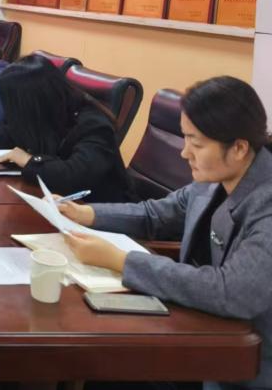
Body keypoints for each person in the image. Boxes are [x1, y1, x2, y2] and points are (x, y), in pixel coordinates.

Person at [60, 76, 272, 390]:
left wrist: (122, 261)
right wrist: (87, 213)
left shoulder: (265, 203)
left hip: (241, 362)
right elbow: (156, 214)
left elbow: (233, 291)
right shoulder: (215, 179)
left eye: (196, 144)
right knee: (98, 361)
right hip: (195, 323)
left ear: (239, 148)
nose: (185, 153)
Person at [0, 55, 130, 202]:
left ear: (33, 103)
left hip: (100, 214)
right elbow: (17, 131)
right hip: (54, 203)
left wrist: (28, 160)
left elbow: (75, 176)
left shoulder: (94, 125)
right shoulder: (51, 111)